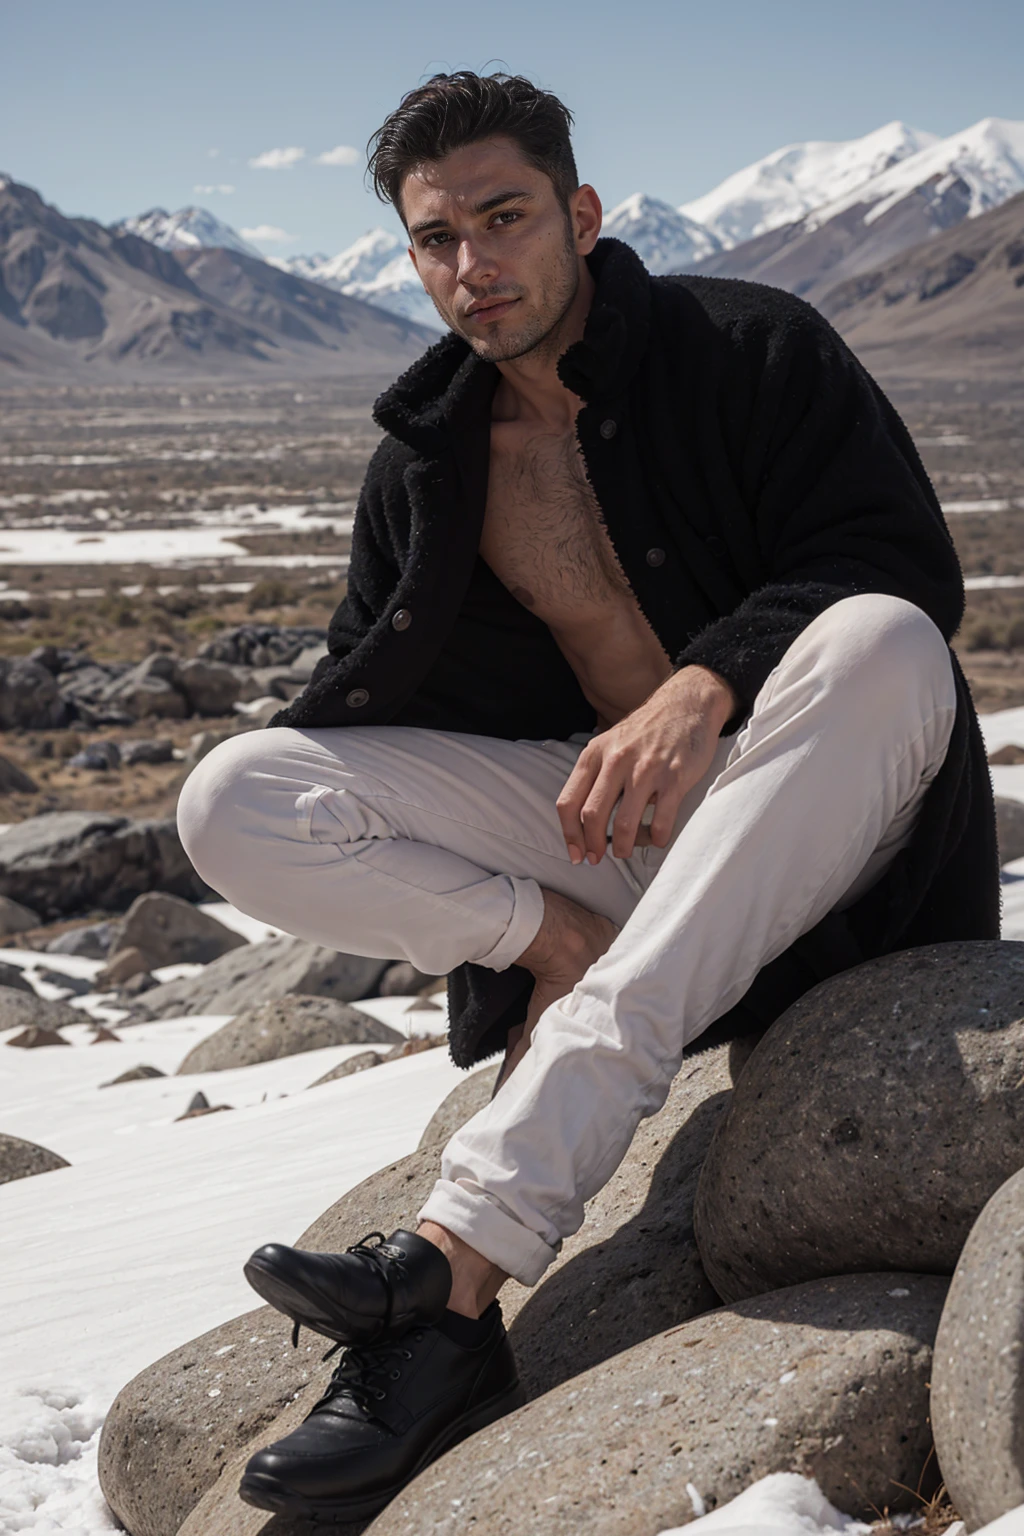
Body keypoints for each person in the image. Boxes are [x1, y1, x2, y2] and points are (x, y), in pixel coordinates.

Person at [176, 71, 999, 1524]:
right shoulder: (424, 464)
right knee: (237, 794)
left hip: (829, 840)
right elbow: (370, 708)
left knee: (877, 637)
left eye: (503, 219)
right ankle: (560, 973)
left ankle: (455, 1258)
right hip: (621, 865)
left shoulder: (748, 347)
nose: (473, 267)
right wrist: (518, 937)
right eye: (437, 238)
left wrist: (711, 679)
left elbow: (904, 567)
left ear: (583, 215)